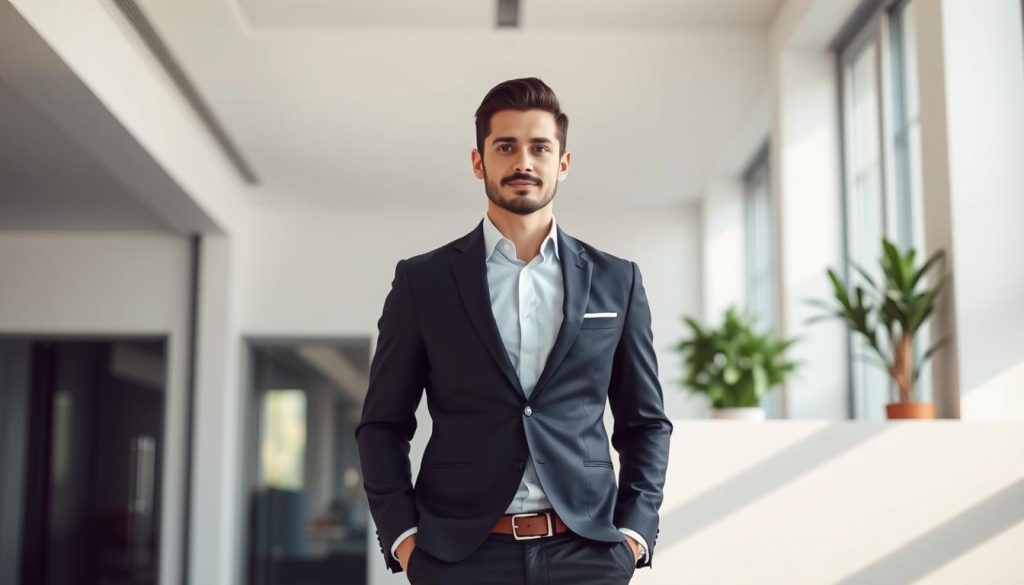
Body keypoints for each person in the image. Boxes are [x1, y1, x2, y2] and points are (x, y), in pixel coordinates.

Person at [355, 77, 672, 584]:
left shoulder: (618, 281)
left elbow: (646, 423)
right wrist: (404, 540)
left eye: (539, 148)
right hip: (460, 558)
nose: (523, 161)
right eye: (506, 146)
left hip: (587, 555)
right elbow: (382, 425)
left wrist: (634, 535)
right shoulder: (423, 282)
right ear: (479, 162)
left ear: (562, 164)